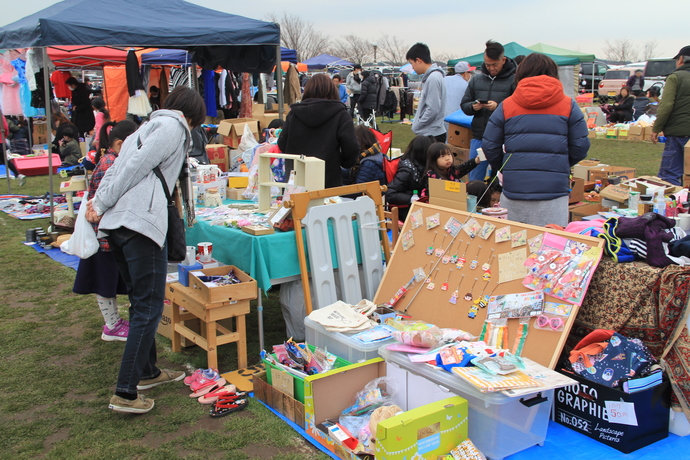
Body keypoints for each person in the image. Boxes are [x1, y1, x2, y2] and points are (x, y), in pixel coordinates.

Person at [86, 86, 205, 414]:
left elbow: (119, 166)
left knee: (141, 301)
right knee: (149, 306)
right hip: (139, 225)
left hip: (122, 224)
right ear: (191, 115)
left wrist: (101, 202)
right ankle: (126, 391)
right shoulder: (172, 128)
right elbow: (133, 167)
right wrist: (101, 201)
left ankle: (148, 372)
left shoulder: (147, 126)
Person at [482, 53, 589, 227]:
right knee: (551, 248)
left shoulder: (506, 106)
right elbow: (580, 145)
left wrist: (505, 166)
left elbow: (489, 145)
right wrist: (560, 163)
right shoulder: (569, 105)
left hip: (516, 188)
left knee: (512, 247)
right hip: (554, 190)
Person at [73, 120, 138, 342]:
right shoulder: (111, 163)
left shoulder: (111, 160)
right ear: (120, 144)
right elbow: (103, 201)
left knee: (109, 280)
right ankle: (112, 325)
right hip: (104, 235)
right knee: (105, 282)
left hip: (106, 233)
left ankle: (114, 323)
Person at [277, 73, 359, 188]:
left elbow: (282, 144)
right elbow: (351, 146)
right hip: (328, 181)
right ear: (332, 91)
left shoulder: (294, 115)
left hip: (297, 182)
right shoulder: (340, 115)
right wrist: (344, 162)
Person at [461, 40, 517, 181]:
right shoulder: (476, 80)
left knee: (503, 177)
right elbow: (464, 104)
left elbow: (518, 108)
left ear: (503, 60)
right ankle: (474, 201)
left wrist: (498, 107)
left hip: (504, 138)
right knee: (475, 177)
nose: (491, 68)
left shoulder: (514, 80)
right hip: (480, 136)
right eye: (487, 64)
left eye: (495, 65)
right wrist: (472, 107)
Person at [652, 45, 690, 186]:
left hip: (678, 133)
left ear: (681, 59)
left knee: (670, 174)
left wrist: (656, 128)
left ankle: (673, 206)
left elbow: (666, 105)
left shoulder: (675, 77)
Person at [385, 135, 435, 221]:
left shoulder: (424, 166)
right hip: (408, 211)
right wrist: (411, 198)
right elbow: (390, 193)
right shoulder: (407, 171)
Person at [406, 43, 446, 142]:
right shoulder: (434, 76)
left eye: (412, 63)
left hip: (431, 134)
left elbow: (433, 109)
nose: (412, 67)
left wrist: (418, 126)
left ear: (418, 60)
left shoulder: (433, 78)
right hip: (432, 132)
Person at [444, 61, 474, 126]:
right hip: (456, 118)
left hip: (441, 116)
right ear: (466, 73)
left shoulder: (445, 79)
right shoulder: (466, 85)